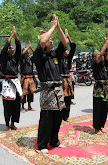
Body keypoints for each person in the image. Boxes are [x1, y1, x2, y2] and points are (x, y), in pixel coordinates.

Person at [33, 14, 67, 154]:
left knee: (58, 118)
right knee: (46, 119)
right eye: (49, 39)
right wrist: (52, 26)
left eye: (52, 39)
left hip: (58, 89)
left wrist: (58, 26)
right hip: (47, 90)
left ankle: (54, 140)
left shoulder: (55, 55)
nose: (51, 41)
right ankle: (42, 144)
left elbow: (64, 43)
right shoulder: (39, 55)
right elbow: (42, 43)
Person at [0, 26, 23, 131]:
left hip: (16, 81)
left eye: (12, 48)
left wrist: (15, 35)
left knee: (16, 104)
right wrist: (10, 36)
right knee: (8, 104)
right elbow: (4, 49)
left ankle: (13, 123)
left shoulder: (15, 59)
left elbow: (19, 47)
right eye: (10, 48)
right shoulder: (3, 60)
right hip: (7, 83)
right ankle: (7, 124)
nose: (12, 49)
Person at [91, 32, 108, 134]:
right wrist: (106, 41)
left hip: (106, 87)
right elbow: (101, 54)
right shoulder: (95, 64)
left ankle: (102, 125)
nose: (101, 56)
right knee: (98, 107)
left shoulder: (105, 63)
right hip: (99, 87)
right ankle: (96, 127)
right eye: (98, 56)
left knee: (105, 107)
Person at [58, 29, 76, 122]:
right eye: (65, 50)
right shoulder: (59, 59)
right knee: (61, 99)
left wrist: (68, 36)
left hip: (68, 80)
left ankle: (66, 117)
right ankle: (60, 116)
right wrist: (64, 36)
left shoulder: (68, 59)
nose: (67, 51)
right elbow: (61, 47)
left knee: (68, 99)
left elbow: (73, 48)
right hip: (61, 80)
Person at [20, 41, 36, 113]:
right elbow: (22, 54)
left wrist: (30, 47)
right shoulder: (22, 59)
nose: (27, 54)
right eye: (26, 53)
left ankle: (29, 106)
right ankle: (22, 107)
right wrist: (27, 48)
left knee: (31, 93)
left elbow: (36, 54)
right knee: (23, 93)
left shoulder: (30, 60)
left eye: (28, 53)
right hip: (25, 78)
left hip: (31, 78)